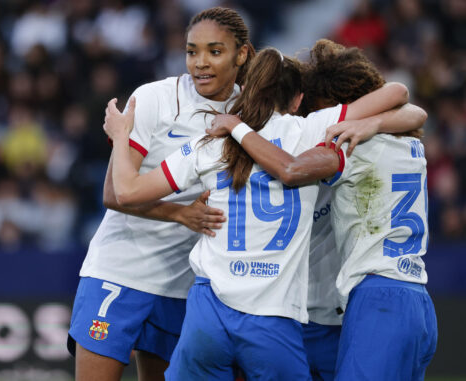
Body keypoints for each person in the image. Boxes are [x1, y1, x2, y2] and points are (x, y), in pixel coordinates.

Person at [103, 47, 409, 380]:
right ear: (297, 100)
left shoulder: (210, 144)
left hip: (209, 315)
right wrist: (375, 122)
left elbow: (126, 192)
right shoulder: (311, 130)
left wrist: (121, 137)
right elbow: (398, 93)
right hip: (271, 322)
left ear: (246, 90)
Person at [210, 39, 436, 381]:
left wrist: (238, 129)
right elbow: (414, 110)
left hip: (374, 301)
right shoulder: (410, 140)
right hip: (415, 298)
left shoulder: (347, 146)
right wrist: (374, 122)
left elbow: (291, 169)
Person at [67, 7, 254, 381]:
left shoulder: (251, 112)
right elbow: (112, 193)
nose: (200, 63)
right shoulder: (154, 98)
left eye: (214, 52)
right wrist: (179, 214)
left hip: (185, 284)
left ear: (242, 54)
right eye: (191, 51)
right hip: (119, 271)